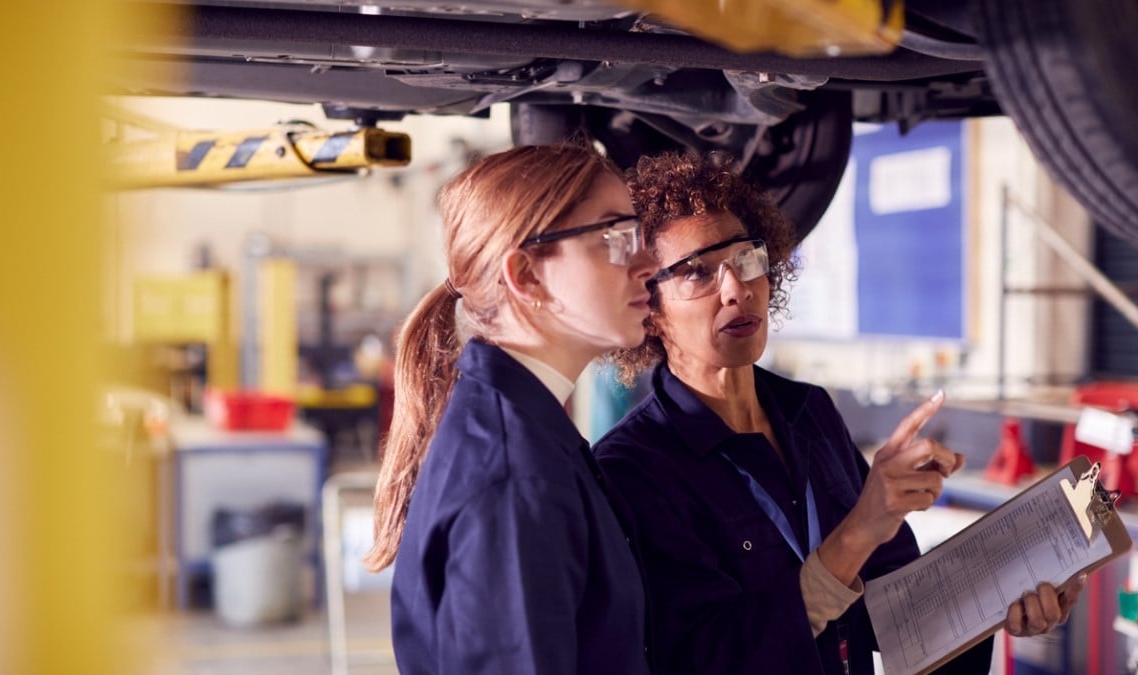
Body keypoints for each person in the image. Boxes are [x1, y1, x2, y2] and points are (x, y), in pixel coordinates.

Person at [593, 150, 1086, 675]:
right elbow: (705, 658)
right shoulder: (632, 468)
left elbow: (896, 613)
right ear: (650, 310)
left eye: (746, 260)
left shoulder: (810, 412)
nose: (736, 289)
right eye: (697, 273)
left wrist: (1000, 598)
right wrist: (859, 531)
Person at [364, 143, 658, 675]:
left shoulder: (523, 433)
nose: (648, 264)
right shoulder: (517, 476)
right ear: (525, 275)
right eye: (616, 239)